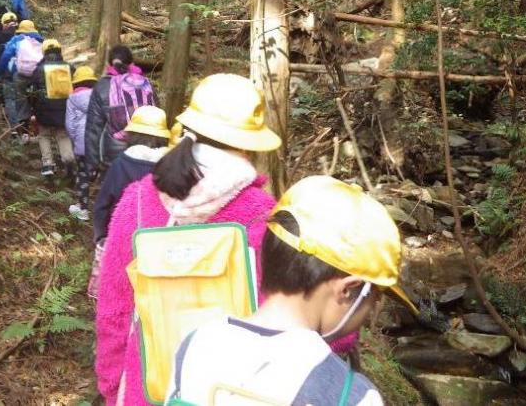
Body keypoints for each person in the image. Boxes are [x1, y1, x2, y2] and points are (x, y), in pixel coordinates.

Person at [93, 73, 281, 406]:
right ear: (247, 145)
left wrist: (111, 386)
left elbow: (114, 309)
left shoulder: (137, 200)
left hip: (145, 384)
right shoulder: (263, 215)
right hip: (228, 391)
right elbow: (278, 316)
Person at [166, 175, 415, 406]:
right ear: (348, 290)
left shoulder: (194, 345)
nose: (370, 312)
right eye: (374, 298)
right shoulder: (352, 395)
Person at [83, 45, 155, 207]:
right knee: (142, 199)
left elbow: (93, 128)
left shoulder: (102, 86)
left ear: (109, 63)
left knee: (116, 201)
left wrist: (91, 165)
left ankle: (115, 229)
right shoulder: (145, 84)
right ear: (131, 63)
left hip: (114, 154)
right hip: (146, 150)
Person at [92, 105, 170, 242]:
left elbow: (102, 204)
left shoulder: (121, 164)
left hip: (122, 233)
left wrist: (101, 236)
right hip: (160, 237)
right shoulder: (172, 165)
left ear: (132, 135)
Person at [28, 39, 76, 179]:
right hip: (65, 109)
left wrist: (33, 110)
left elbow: (32, 92)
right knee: (63, 135)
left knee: (44, 135)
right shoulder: (69, 67)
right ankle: (68, 159)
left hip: (44, 109)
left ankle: (48, 164)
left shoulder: (39, 70)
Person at [0, 20, 43, 140]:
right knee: (40, 100)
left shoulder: (16, 40)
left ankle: (24, 132)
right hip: (37, 75)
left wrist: (0, 73)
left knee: (21, 102)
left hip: (20, 75)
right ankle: (40, 131)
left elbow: (6, 56)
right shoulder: (40, 40)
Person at [66, 66, 98, 219]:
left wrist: (74, 140)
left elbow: (70, 124)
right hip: (99, 143)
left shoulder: (72, 98)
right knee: (100, 174)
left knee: (83, 175)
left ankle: (83, 208)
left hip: (82, 143)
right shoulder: (101, 96)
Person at [0, 12, 19, 108]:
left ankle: (3, 104)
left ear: (3, 24)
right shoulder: (22, 35)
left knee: (7, 95)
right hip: (21, 69)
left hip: (3, 69)